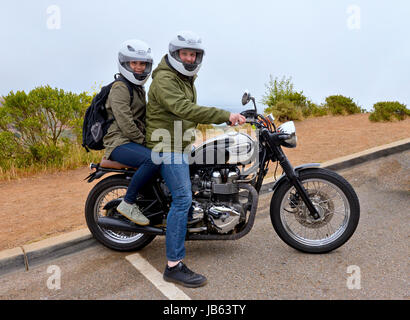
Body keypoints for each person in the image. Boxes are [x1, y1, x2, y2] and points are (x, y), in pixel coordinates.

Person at [146, 31, 246, 287]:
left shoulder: (184, 77)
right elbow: (184, 109)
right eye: (185, 54)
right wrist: (225, 115)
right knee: (182, 198)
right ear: (175, 53)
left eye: (194, 55)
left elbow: (187, 114)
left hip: (180, 141)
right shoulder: (166, 79)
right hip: (166, 145)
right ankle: (173, 266)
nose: (190, 58)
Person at [103, 39, 160, 226]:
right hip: (118, 142)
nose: (138, 67)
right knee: (152, 159)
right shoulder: (120, 87)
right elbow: (125, 122)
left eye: (142, 63)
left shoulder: (137, 88)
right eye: (134, 63)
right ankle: (128, 203)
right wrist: (144, 141)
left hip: (130, 140)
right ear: (125, 64)